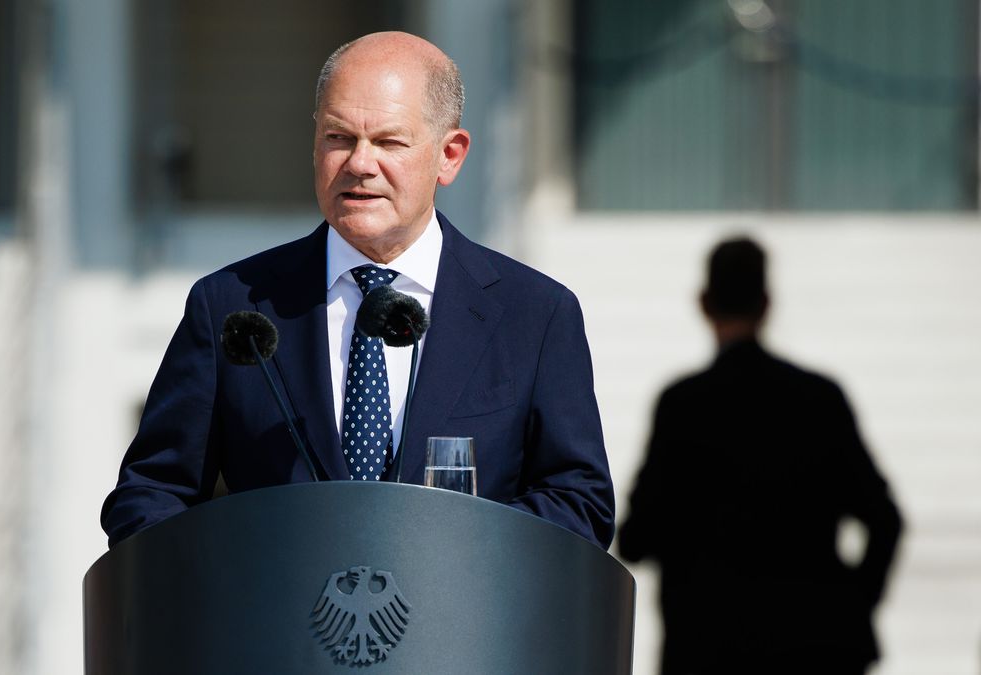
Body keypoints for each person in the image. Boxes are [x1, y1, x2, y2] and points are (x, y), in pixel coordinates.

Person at [100, 32, 614, 550]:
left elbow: (578, 503)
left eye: (389, 142)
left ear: (449, 156)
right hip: (273, 622)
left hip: (459, 621)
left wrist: (459, 550)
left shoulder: (534, 315)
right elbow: (150, 495)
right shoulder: (232, 307)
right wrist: (231, 573)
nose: (359, 164)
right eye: (339, 138)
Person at [618, 237, 903, 675]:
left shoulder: (685, 405)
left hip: (707, 645)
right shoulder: (819, 399)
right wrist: (851, 605)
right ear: (767, 303)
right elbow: (885, 520)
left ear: (704, 303)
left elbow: (638, 538)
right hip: (814, 645)